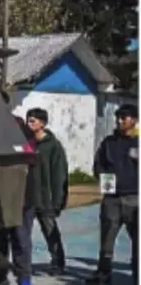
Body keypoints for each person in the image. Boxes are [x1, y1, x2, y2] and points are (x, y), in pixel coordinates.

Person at [88, 102, 138, 284]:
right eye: (118, 118)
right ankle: (103, 274)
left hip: (136, 199)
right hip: (112, 200)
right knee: (106, 240)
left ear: (134, 120)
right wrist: (104, 181)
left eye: (124, 118)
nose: (119, 121)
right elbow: (98, 165)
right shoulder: (108, 143)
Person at [24, 107, 68, 274]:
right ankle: (23, 266)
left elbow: (59, 175)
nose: (29, 123)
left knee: (50, 231)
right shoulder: (27, 144)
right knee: (23, 234)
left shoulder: (53, 146)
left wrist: (57, 200)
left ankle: (58, 262)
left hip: (45, 199)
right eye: (28, 120)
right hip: (27, 197)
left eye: (33, 121)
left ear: (42, 123)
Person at [0, 115, 38, 285]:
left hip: (24, 199)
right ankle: (0, 277)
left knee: (21, 240)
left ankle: (24, 278)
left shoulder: (24, 132)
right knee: (0, 241)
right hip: (2, 198)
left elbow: (30, 158)